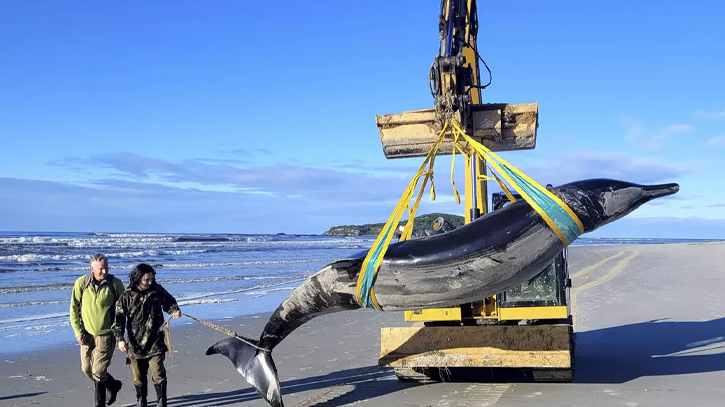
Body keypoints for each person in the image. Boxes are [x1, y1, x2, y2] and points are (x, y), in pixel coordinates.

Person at [112, 263, 181, 407]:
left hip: (155, 341)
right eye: (147, 279)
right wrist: (120, 339)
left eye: (152, 278)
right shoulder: (126, 296)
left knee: (159, 373)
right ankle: (141, 400)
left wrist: (174, 311)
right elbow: (118, 319)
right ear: (138, 278)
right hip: (135, 344)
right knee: (139, 377)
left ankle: (161, 402)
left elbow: (169, 302)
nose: (150, 282)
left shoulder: (157, 290)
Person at [69, 253, 126, 407]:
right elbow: (73, 309)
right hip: (86, 335)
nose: (104, 272)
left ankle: (99, 405)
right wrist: (78, 332)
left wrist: (121, 335)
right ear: (92, 268)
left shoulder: (115, 284)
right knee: (87, 369)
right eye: (101, 269)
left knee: (99, 371)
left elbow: (124, 309)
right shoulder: (81, 283)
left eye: (106, 268)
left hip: (106, 334)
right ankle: (113, 385)